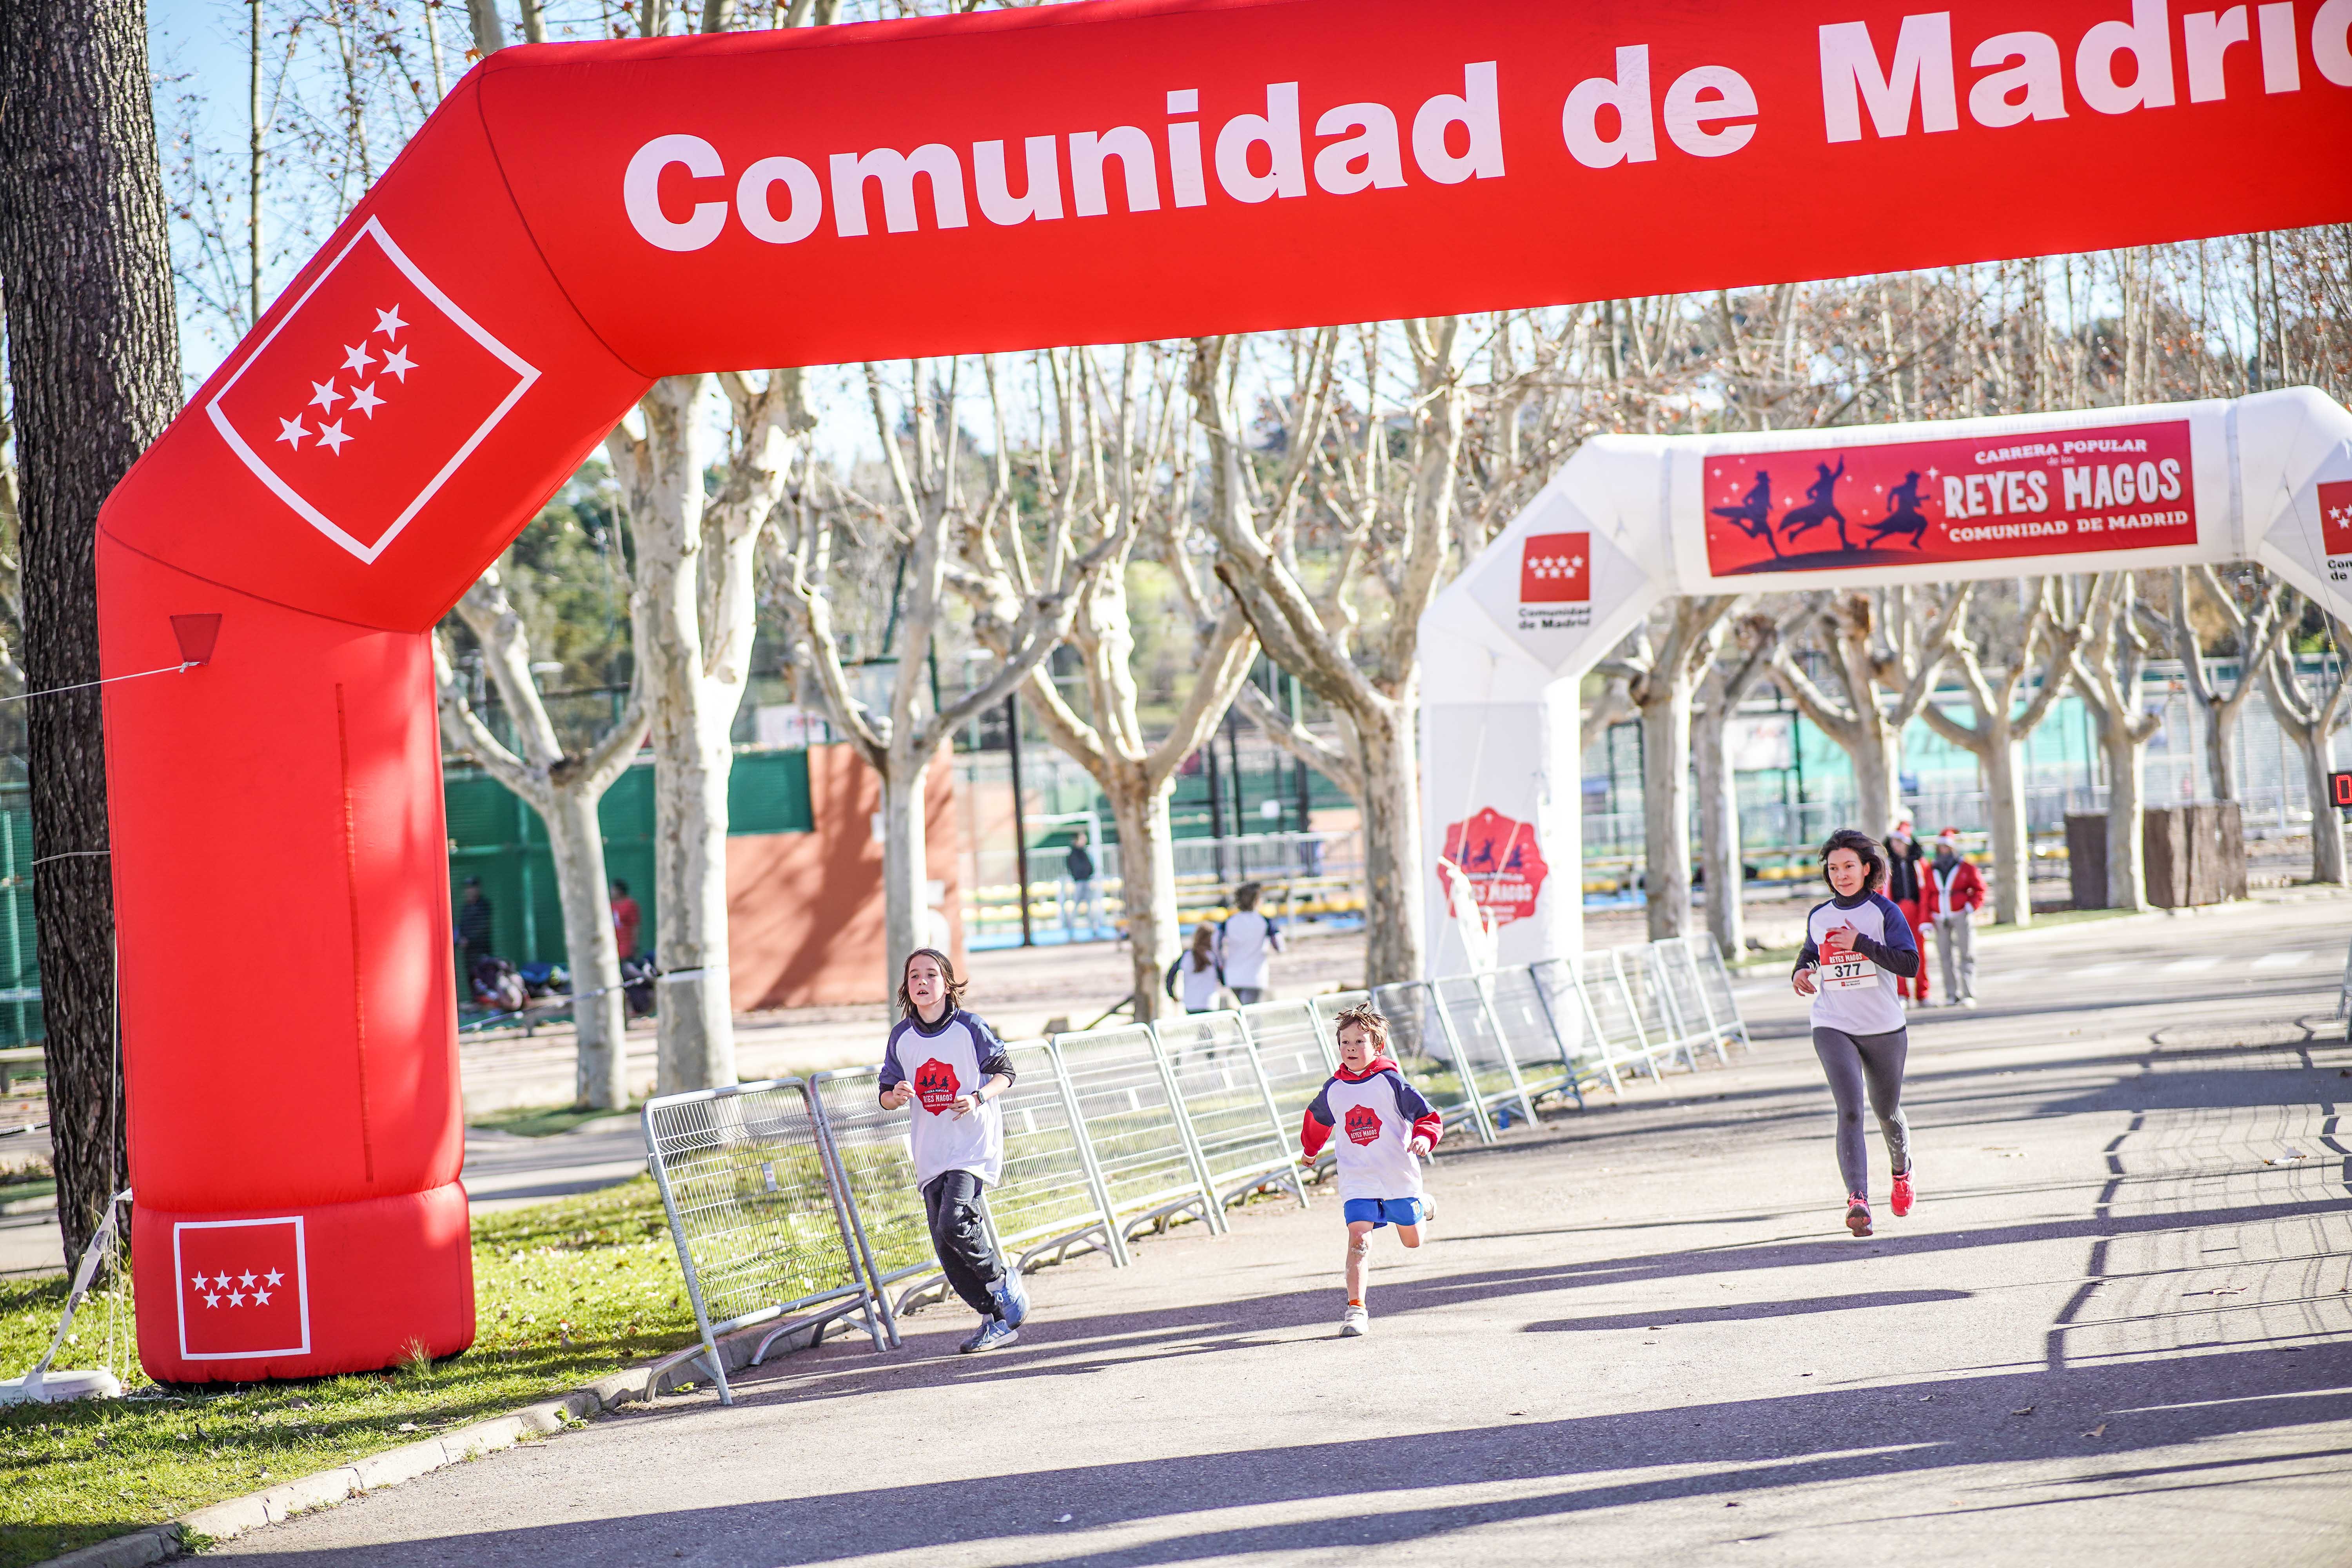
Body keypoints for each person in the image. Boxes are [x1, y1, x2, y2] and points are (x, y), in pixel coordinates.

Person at [877, 948, 1031, 1353]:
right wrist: (895, 1094)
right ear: (907, 987)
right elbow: (886, 1095)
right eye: (914, 976)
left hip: (971, 1145)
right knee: (944, 1246)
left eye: (931, 974)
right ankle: (995, 1318)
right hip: (930, 1152)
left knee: (954, 1221)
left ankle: (1001, 1281)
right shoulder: (902, 1038)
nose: (922, 982)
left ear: (947, 983)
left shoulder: (970, 1028)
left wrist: (978, 1097)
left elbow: (1006, 1073)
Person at [1792, 828, 1921, 1238]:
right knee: (1850, 1109)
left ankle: (1901, 1172)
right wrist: (1800, 972)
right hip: (1833, 1023)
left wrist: (1860, 943)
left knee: (1886, 1112)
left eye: (1849, 866)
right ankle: (1858, 1200)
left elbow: (1909, 964)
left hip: (1884, 1027)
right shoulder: (1820, 915)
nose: (1841, 875)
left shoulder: (1884, 913)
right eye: (1833, 868)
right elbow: (1811, 952)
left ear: (1867, 869)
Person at [1298, 1003, 1441, 1337]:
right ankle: (1356, 1310)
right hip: (1357, 1179)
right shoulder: (1334, 1089)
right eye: (1345, 1043)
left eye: (1359, 1042)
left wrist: (1423, 1138)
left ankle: (1425, 1204)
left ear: (1377, 1046)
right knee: (1359, 1239)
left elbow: (1427, 1116)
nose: (1351, 1049)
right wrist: (1310, 1150)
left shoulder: (1391, 1082)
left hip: (1397, 1177)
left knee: (1412, 1241)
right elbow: (1317, 1119)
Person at [1923, 829, 1984, 1007]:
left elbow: (1979, 889)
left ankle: (1968, 993)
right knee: (1945, 956)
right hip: (1940, 917)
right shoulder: (1931, 868)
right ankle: (1951, 994)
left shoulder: (1965, 867)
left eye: (1946, 847)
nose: (1943, 850)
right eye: (1940, 847)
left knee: (1967, 954)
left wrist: (1971, 906)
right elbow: (1927, 894)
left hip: (1960, 915)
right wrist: (1927, 918)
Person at [1882, 817, 1931, 1006]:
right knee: (1897, 953)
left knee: (1920, 954)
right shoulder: (1887, 865)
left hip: (1917, 912)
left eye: (1900, 842)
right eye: (1894, 841)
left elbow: (1927, 891)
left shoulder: (1920, 864)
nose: (1897, 846)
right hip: (1896, 914)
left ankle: (1923, 993)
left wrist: (1926, 917)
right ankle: (1901, 993)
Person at [1215, 882, 1283, 1005]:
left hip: (1233, 975)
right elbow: (1280, 945)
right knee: (1251, 1014)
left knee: (1247, 1009)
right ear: (1257, 900)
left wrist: (1222, 961)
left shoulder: (1229, 922)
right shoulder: (1265, 921)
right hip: (1255, 976)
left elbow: (1216, 942)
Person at [1163, 922, 1224, 1014]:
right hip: (1210, 1002)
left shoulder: (1186, 956)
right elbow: (1222, 977)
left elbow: (1171, 975)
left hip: (1191, 1003)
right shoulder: (1212, 956)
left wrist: (1172, 994)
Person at [1060, 828, 1101, 942]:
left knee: (1090, 908)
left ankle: (1094, 931)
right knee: (1076, 909)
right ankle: (1071, 933)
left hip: (1086, 882)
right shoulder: (1074, 854)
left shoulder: (1084, 852)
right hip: (1079, 883)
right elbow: (1077, 868)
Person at [457, 877, 496, 969]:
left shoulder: (484, 905)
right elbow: (462, 926)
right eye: (467, 888)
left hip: (482, 952)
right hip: (469, 954)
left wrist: (468, 940)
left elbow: (482, 926)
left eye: (472, 887)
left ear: (478, 889)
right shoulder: (466, 908)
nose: (469, 891)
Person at [609, 879, 642, 962]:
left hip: (626, 945)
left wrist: (635, 944)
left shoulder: (629, 904)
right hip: (615, 945)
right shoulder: (611, 906)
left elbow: (635, 925)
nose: (611, 891)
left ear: (620, 891)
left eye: (614, 889)